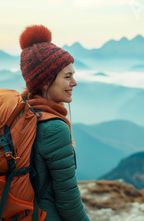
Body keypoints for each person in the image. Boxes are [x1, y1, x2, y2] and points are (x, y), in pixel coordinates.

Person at [18, 24, 91, 221]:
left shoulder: (23, 113)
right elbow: (68, 201)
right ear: (44, 81)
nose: (74, 83)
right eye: (67, 77)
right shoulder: (54, 128)